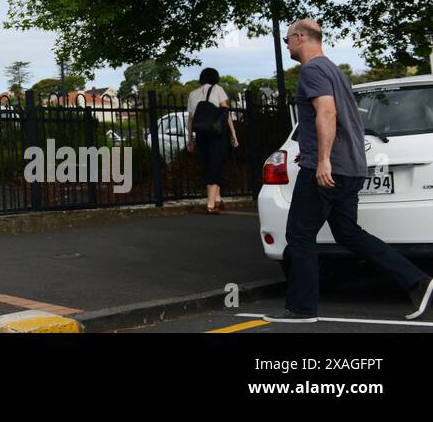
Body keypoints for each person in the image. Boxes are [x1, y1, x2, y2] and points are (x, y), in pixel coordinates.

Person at [265, 19, 433, 323]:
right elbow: (344, 119)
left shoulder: (312, 70)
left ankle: (301, 309)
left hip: (327, 169)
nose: (286, 45)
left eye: (287, 39)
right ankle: (417, 281)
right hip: (350, 168)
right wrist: (313, 146)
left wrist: (323, 159)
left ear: (301, 37)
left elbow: (327, 112)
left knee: (299, 235)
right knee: (348, 233)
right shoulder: (336, 71)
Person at [186, 67, 238, 213]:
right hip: (217, 133)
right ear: (215, 77)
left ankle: (218, 199)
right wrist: (233, 133)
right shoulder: (218, 89)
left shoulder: (192, 94)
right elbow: (225, 113)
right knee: (215, 165)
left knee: (209, 164)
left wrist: (190, 139)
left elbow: (190, 119)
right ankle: (210, 205)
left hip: (201, 134)